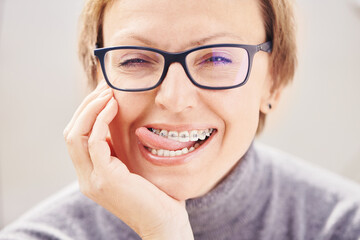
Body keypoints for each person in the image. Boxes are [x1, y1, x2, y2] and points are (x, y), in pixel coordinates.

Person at [1, 0, 360, 239]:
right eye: (135, 60)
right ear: (96, 78)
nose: (173, 98)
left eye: (217, 59)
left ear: (274, 83)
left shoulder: (344, 225)